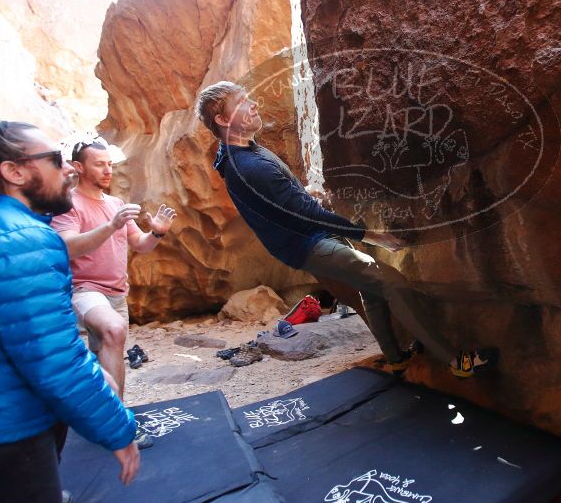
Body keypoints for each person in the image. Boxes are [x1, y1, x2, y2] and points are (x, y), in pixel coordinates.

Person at [195, 81, 489, 378]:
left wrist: (298, 193)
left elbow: (283, 199)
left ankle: (395, 357)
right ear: (222, 120)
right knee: (391, 283)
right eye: (242, 101)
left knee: (369, 286)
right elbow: (307, 214)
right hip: (307, 243)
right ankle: (456, 361)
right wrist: (372, 235)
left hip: (305, 235)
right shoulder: (248, 167)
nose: (254, 103)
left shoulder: (236, 151)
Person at [0, 120, 140, 503]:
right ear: (14, 172)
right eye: (55, 159)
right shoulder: (22, 241)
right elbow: (53, 360)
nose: (68, 167)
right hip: (8, 431)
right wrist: (117, 429)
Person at [51, 138, 176, 401]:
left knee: (108, 350)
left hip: (118, 294)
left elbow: (140, 244)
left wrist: (157, 233)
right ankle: (116, 418)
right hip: (85, 291)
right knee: (114, 330)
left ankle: (105, 411)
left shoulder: (116, 204)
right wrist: (110, 226)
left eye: (109, 164)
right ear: (79, 167)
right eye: (99, 165)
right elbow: (69, 246)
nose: (108, 170)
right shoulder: (68, 204)